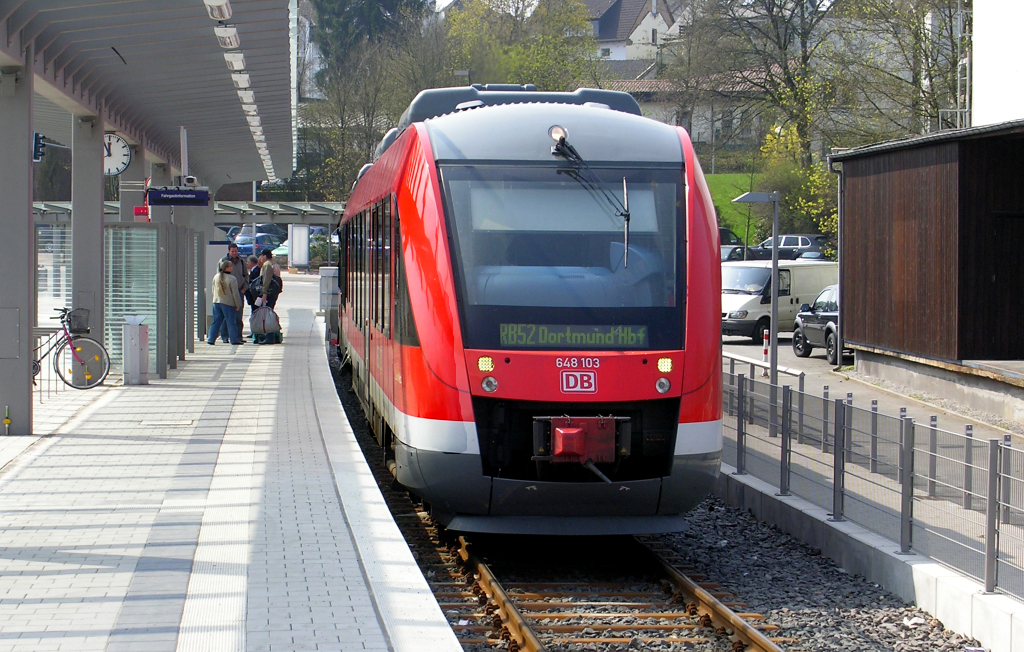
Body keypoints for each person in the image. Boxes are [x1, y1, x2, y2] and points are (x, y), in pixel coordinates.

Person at [207, 259, 243, 345]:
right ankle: (234, 340)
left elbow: (213, 290)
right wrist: (238, 304)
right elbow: (235, 293)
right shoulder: (232, 279)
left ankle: (211, 339)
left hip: (216, 301)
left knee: (216, 321)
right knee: (231, 322)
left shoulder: (216, 277)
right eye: (230, 266)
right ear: (226, 268)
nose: (232, 267)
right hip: (228, 303)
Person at [219, 243, 249, 343]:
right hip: (227, 293)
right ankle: (224, 336)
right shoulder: (224, 261)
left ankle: (238, 336)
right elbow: (220, 276)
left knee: (238, 314)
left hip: (239, 290)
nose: (235, 253)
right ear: (229, 251)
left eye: (236, 251)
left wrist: (244, 288)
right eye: (233, 251)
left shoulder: (241, 261)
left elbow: (246, 275)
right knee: (226, 315)